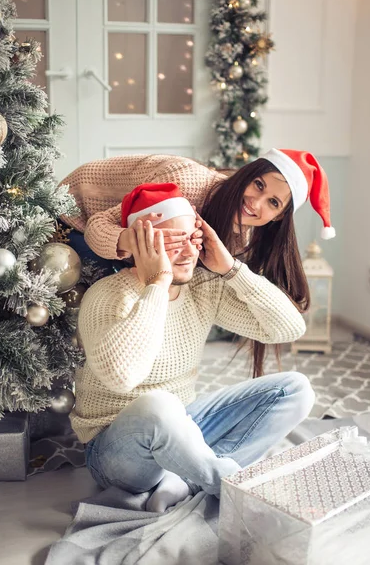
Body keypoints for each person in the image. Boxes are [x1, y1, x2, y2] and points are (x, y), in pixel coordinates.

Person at [71, 182, 315, 513]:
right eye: (172, 242)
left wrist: (231, 268)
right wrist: (157, 283)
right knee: (158, 406)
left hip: (184, 425)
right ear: (140, 246)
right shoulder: (108, 295)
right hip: (117, 451)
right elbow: (122, 376)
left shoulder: (202, 288)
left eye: (192, 238)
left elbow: (288, 327)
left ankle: (186, 481)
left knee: (295, 389)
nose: (188, 252)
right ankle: (238, 490)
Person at [60, 149, 335, 376]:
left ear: (277, 217)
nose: (256, 202)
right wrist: (132, 241)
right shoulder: (187, 183)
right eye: (259, 185)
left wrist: (231, 268)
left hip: (116, 233)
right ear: (246, 174)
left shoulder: (237, 239)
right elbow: (99, 225)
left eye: (273, 202)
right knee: (114, 299)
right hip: (75, 210)